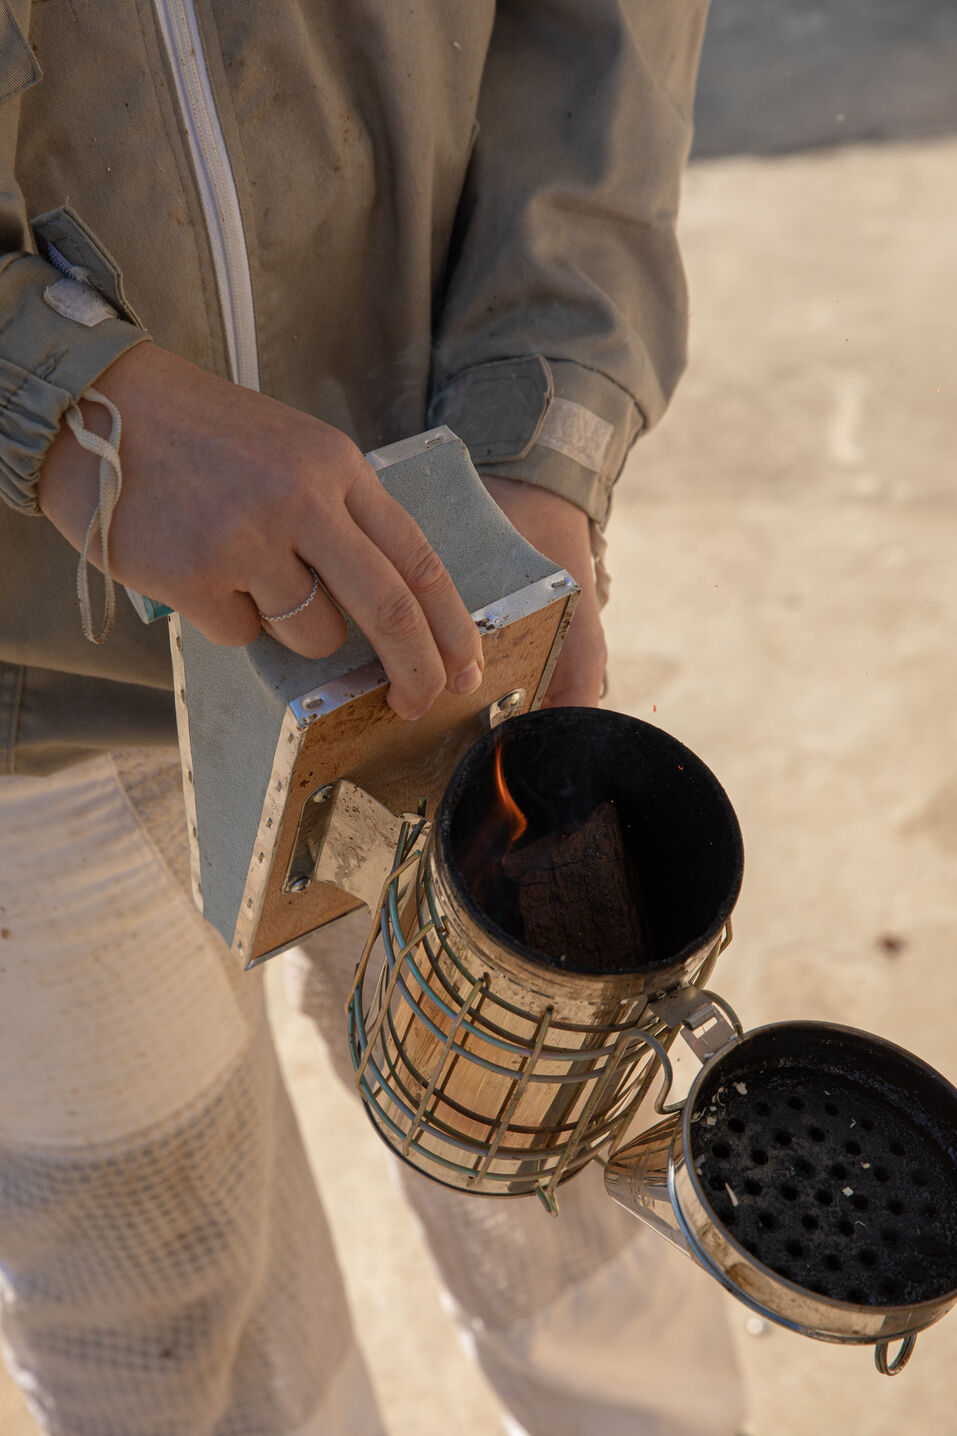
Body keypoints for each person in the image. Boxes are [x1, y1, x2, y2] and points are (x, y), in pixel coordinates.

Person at [0, 3, 745, 1433]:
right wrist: (70, 397)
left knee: (561, 1171)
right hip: (35, 699)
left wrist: (545, 419)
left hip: (435, 542)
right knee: (158, 1317)